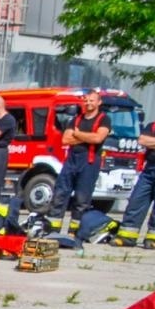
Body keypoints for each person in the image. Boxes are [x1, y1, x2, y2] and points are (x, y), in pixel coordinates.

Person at [119, 98, 155, 249]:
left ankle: (154, 238)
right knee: (136, 201)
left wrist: (154, 143)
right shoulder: (153, 125)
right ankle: (127, 237)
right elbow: (142, 140)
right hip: (149, 168)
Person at [50, 91, 110, 230]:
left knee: (82, 199)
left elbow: (98, 138)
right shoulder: (76, 119)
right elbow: (65, 140)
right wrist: (88, 137)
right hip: (71, 160)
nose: (88, 103)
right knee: (60, 194)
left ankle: (75, 231)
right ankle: (52, 228)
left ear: (99, 102)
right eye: (86, 100)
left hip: (89, 161)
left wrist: (77, 134)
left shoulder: (104, 119)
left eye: (92, 100)